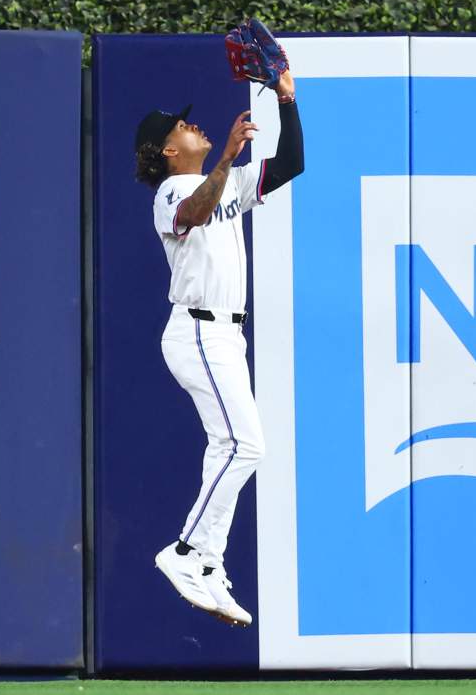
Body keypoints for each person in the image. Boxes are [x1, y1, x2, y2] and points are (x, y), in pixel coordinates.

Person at [133, 69, 304, 626]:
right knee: (246, 447)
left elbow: (290, 163)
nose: (195, 126)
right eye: (182, 127)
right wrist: (227, 157)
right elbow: (193, 213)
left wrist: (287, 101)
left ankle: (207, 561)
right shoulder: (171, 191)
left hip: (227, 335)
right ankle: (186, 553)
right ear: (167, 150)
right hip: (199, 331)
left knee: (227, 448)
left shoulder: (224, 183)